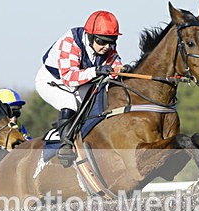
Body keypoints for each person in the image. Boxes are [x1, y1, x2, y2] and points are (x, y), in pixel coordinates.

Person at [36, 10, 129, 166]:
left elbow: (116, 67)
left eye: (111, 41)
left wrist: (123, 70)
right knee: (69, 103)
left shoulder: (106, 47)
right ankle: (64, 145)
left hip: (80, 83)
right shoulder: (70, 42)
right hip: (53, 82)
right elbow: (69, 78)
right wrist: (96, 71)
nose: (107, 47)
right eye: (102, 42)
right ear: (90, 36)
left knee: (102, 99)